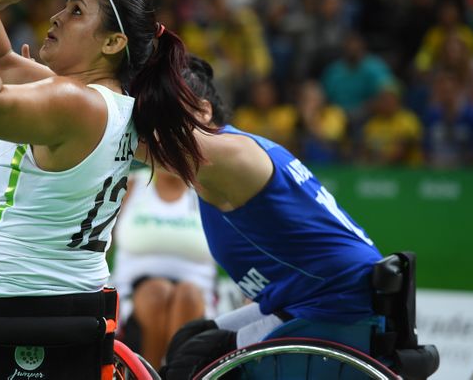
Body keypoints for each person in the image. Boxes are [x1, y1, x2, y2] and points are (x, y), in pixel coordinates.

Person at [0, 0, 211, 378]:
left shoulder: (74, 101)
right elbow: (1, 60)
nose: (55, 17)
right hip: (78, 315)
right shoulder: (118, 106)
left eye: (75, 11)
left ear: (112, 42)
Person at [160, 55, 384, 379]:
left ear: (204, 111)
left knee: (193, 361)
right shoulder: (221, 159)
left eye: (162, 115)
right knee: (189, 339)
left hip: (338, 306)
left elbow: (137, 143)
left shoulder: (228, 157)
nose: (154, 130)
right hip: (310, 299)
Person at [111, 166, 216, 369]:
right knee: (157, 292)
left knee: (188, 294)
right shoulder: (131, 185)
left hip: (197, 294)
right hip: (131, 293)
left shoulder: (208, 192)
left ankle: (173, 371)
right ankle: (148, 371)